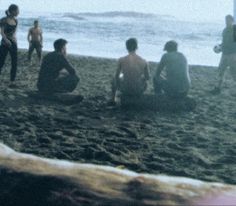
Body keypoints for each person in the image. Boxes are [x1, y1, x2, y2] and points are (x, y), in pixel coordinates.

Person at [111, 38, 149, 103]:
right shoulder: (144, 61)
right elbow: (147, 77)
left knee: (114, 78)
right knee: (145, 82)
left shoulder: (121, 60)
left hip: (125, 89)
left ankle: (113, 99)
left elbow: (117, 76)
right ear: (137, 47)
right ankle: (138, 97)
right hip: (138, 89)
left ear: (126, 47)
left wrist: (119, 84)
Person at [211, 15, 236, 94]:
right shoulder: (224, 30)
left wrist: (225, 46)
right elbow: (224, 42)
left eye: (228, 21)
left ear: (232, 21)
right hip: (224, 54)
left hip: (232, 54)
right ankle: (217, 88)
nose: (227, 22)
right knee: (220, 71)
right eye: (226, 21)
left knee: (234, 72)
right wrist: (220, 47)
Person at [0, 4, 19, 87]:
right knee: (1, 61)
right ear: (12, 11)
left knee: (14, 62)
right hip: (5, 42)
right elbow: (2, 32)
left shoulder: (16, 20)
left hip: (13, 43)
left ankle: (12, 81)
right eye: (17, 10)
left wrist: (15, 39)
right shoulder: (4, 19)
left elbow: (14, 32)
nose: (18, 12)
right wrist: (6, 40)